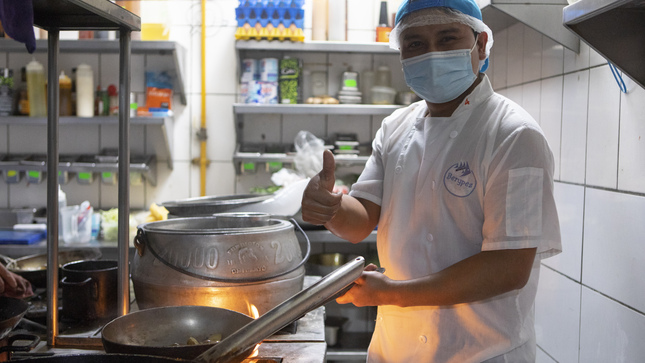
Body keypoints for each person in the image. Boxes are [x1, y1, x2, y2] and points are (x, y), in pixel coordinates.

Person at [300, 0, 562, 361]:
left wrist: (390, 293)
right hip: (396, 350)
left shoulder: (513, 134)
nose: (431, 54)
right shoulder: (395, 128)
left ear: (481, 44)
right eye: (415, 44)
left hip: (481, 353)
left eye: (447, 37)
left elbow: (507, 268)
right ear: (402, 55)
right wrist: (331, 207)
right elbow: (361, 219)